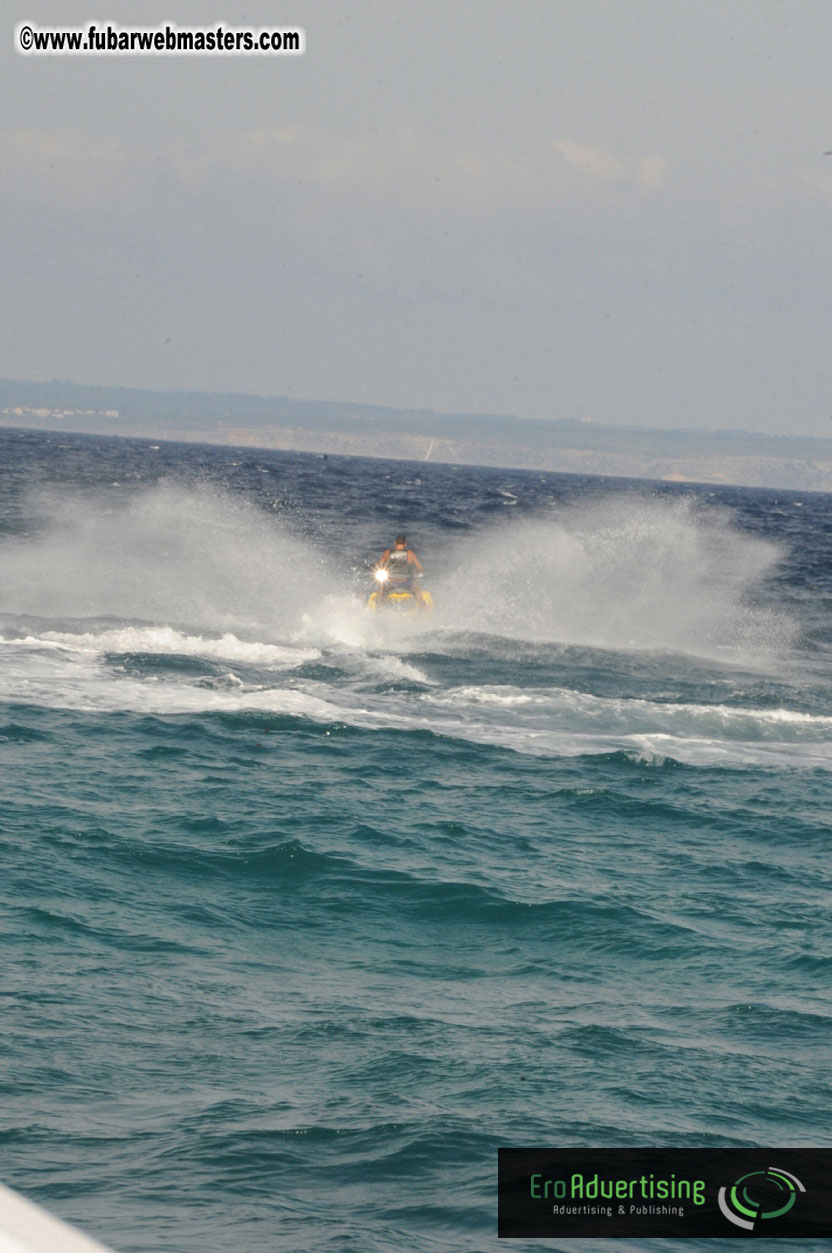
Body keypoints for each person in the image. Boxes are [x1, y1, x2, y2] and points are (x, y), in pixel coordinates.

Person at [377, 533, 424, 601]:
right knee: (416, 586)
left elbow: (379, 565)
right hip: (406, 582)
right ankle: (422, 603)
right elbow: (420, 568)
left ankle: (379, 601)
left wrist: (384, 569)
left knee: (382, 586)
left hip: (390, 582)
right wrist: (416, 572)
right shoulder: (410, 553)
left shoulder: (387, 553)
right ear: (405, 544)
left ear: (395, 543)